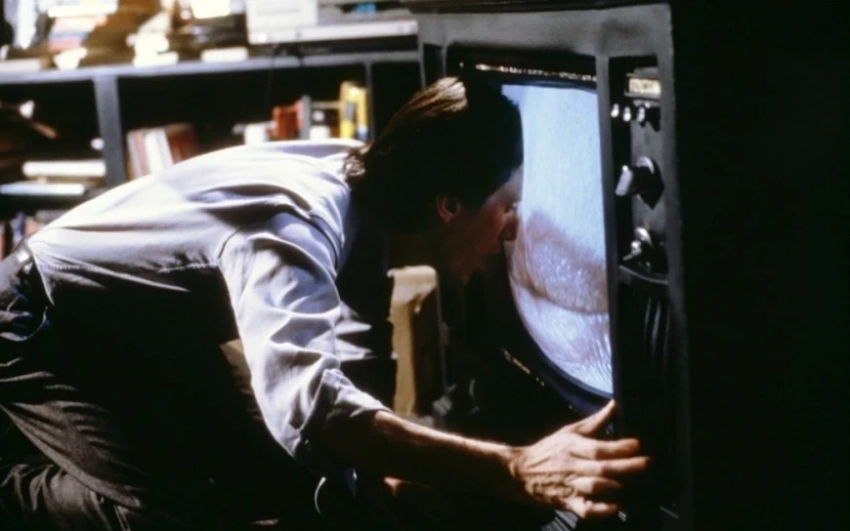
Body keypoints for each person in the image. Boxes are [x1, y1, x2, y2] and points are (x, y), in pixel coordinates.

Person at [0, 77, 648, 530]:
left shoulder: (371, 186)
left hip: (137, 328)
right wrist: (516, 469)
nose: (512, 230)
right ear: (450, 205)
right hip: (39, 320)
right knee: (164, 521)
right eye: (508, 205)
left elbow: (359, 349)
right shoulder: (295, 229)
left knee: (259, 484)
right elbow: (310, 409)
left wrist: (382, 472)